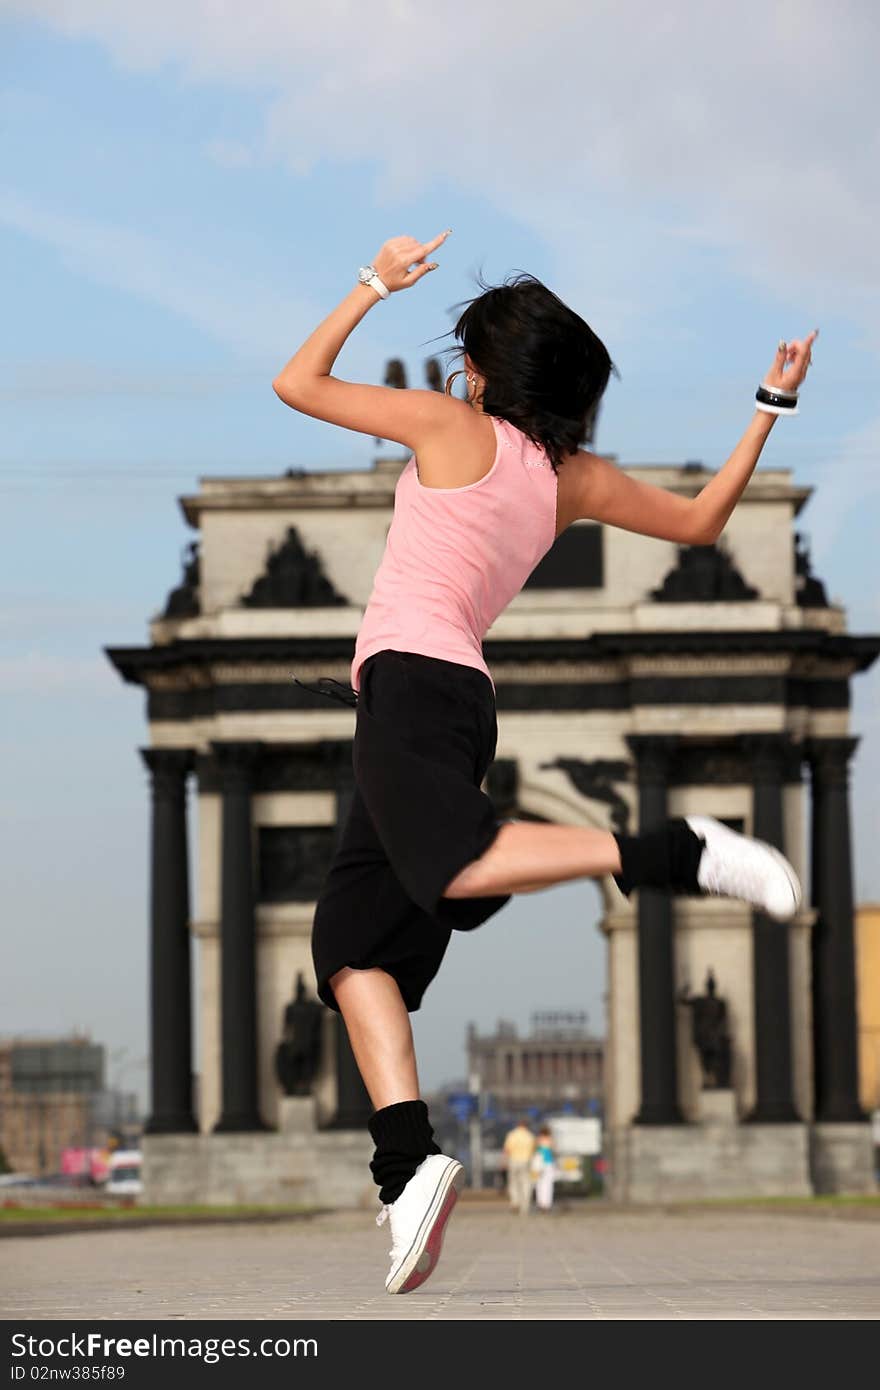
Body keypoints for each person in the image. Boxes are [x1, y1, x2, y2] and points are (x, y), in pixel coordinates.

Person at [272, 230, 815, 1295]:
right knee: (347, 944)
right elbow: (705, 522)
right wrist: (768, 403)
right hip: (458, 697)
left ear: (483, 370)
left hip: (410, 685)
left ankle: (666, 848)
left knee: (456, 863)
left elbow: (297, 383)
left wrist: (374, 283)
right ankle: (406, 1163)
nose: (453, 377)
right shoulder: (572, 477)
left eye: (463, 361)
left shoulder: (444, 423)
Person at [502, 1119, 536, 1216]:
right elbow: (534, 1150)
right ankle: (525, 1206)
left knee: (513, 1183)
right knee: (526, 1183)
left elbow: (507, 1150)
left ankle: (515, 1202)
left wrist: (504, 1162)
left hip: (513, 1160)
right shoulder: (530, 1136)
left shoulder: (512, 1135)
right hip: (526, 1161)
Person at [532, 1125, 556, 1212]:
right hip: (548, 1163)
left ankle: (540, 1203)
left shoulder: (538, 1140)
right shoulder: (550, 1140)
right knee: (548, 1184)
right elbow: (554, 1151)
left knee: (539, 1184)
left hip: (538, 1164)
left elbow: (534, 1150)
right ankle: (547, 1204)